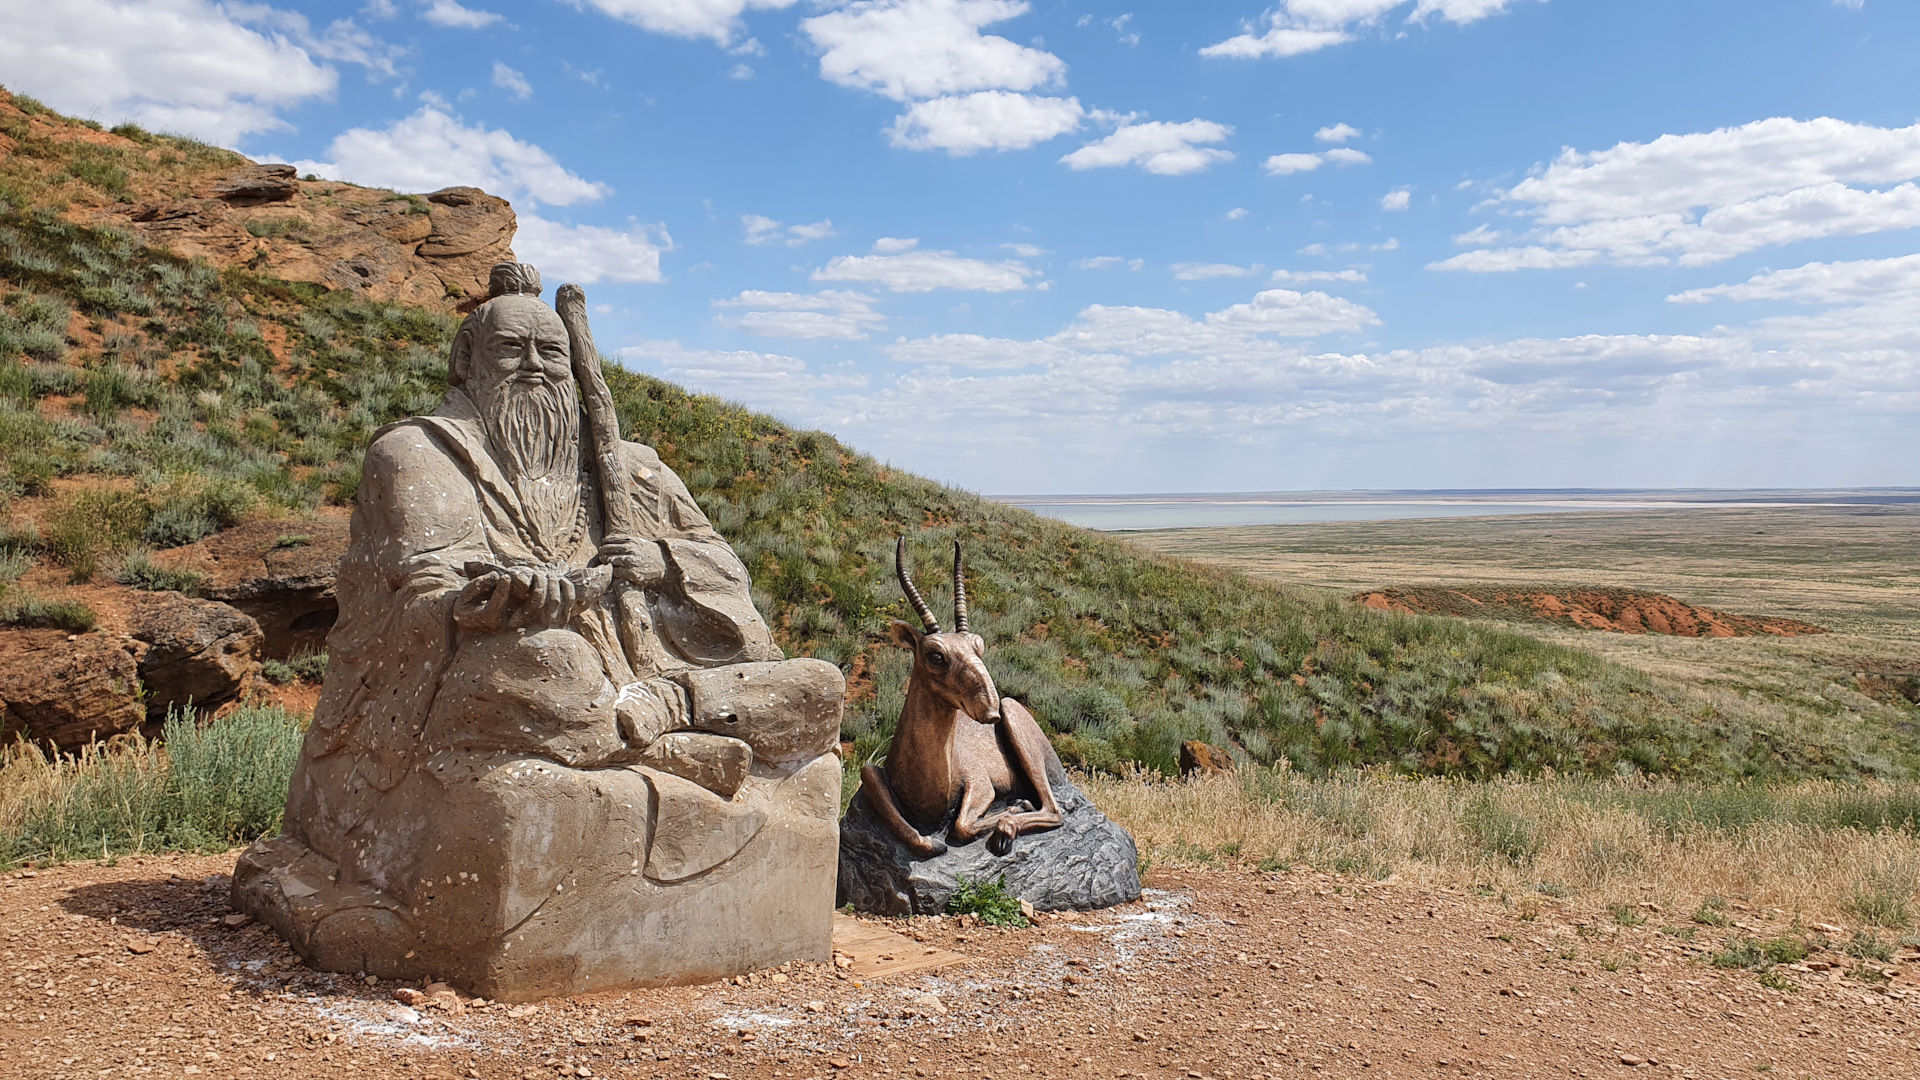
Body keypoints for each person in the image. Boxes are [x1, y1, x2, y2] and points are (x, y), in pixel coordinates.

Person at [235, 264, 843, 999]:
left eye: (550, 352)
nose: (533, 366)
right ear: (467, 361)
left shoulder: (634, 472)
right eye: (511, 350)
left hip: (650, 675)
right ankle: (663, 745)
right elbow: (419, 584)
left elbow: (725, 577)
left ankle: (663, 719)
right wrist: (494, 602)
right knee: (549, 661)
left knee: (819, 686)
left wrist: (658, 561)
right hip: (506, 671)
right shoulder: (417, 453)